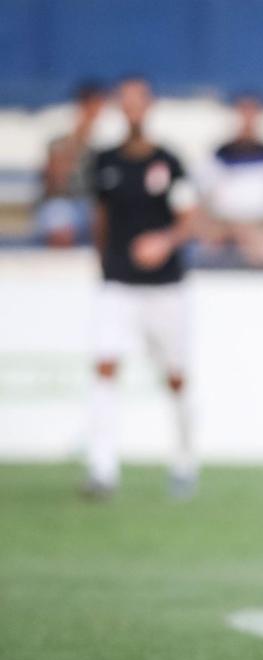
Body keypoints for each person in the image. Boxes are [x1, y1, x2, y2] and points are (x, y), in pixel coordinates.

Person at [85, 76, 199, 498]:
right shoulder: (104, 162)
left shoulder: (170, 162)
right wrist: (104, 260)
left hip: (166, 286)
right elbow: (100, 217)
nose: (133, 109)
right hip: (118, 283)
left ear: (150, 106)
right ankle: (102, 467)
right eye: (126, 102)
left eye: (139, 101)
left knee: (176, 376)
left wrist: (163, 241)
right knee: (105, 365)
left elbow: (190, 217)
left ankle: (185, 460)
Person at [198, 92, 263, 267]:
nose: (248, 118)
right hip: (226, 227)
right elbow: (205, 197)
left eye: (253, 112)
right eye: (243, 112)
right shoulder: (219, 155)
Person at [35, 80, 107, 247]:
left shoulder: (110, 133)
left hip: (94, 203)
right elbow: (55, 181)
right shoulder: (58, 128)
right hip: (65, 202)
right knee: (59, 216)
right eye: (91, 106)